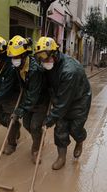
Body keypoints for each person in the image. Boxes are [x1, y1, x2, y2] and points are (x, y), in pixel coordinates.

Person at [34, 37, 92, 170]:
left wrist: (48, 120)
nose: (43, 61)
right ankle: (61, 157)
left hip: (79, 100)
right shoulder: (49, 64)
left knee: (75, 129)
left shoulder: (69, 71)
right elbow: (48, 84)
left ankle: (80, 140)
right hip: (61, 97)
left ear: (54, 54)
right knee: (60, 129)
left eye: (45, 58)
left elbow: (63, 104)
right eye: (40, 58)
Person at [7, 35, 50, 163]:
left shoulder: (35, 70)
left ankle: (36, 149)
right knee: (27, 124)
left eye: (16, 57)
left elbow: (33, 97)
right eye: (12, 57)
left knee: (35, 126)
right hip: (28, 99)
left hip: (40, 100)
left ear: (24, 55)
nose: (14, 60)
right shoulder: (18, 67)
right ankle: (39, 139)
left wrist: (18, 112)